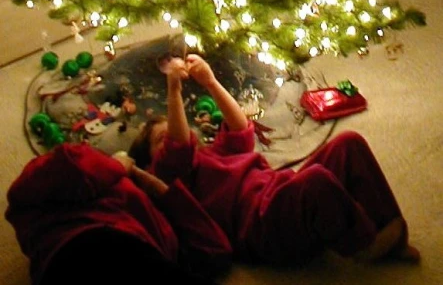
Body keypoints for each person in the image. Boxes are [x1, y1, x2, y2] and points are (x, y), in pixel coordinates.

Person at [129, 54, 420, 270]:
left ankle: (392, 232)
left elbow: (241, 127)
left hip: (280, 190)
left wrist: (210, 82)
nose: (170, 138)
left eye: (170, 131)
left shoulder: (211, 154)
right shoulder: (171, 180)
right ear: (152, 162)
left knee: (349, 143)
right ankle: (364, 243)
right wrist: (174, 91)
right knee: (316, 180)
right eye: (160, 141)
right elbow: (178, 146)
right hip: (262, 227)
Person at [5, 140, 232, 285]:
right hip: (89, 247)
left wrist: (161, 190)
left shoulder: (160, 215)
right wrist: (118, 166)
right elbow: (68, 163)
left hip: (139, 251)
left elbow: (215, 252)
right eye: (160, 138)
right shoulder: (70, 179)